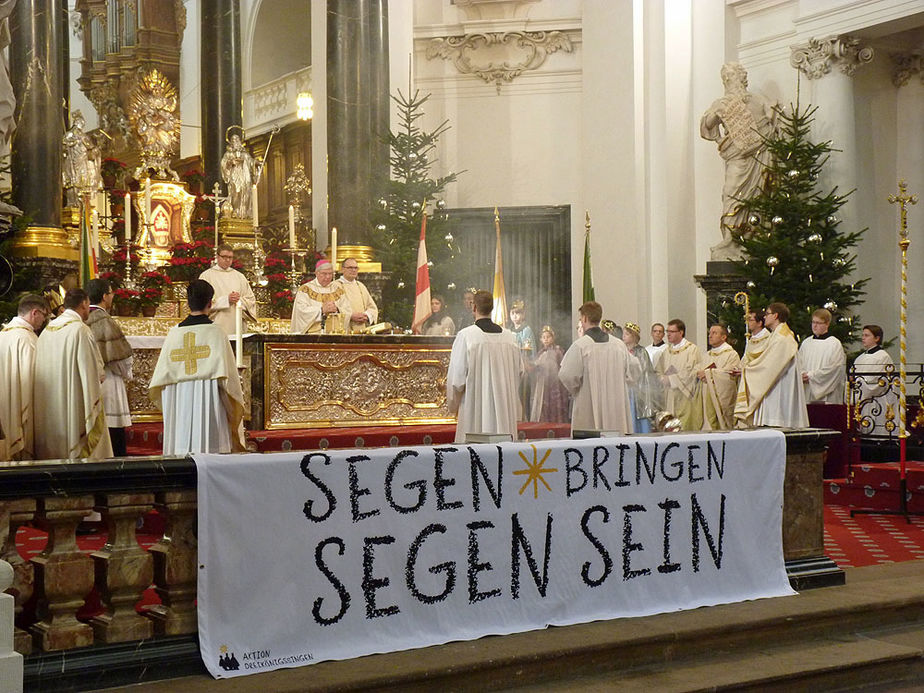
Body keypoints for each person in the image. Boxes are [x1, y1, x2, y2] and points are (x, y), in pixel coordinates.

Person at [149, 280, 246, 454]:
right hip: (210, 403)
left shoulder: (173, 333)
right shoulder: (216, 333)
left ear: (188, 303)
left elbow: (162, 380)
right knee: (211, 450)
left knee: (182, 447)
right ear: (210, 303)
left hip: (180, 401)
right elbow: (229, 382)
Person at [700, 62, 777, 260]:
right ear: (727, 80)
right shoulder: (722, 103)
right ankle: (730, 239)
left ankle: (751, 237)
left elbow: (772, 119)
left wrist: (773, 115)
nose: (743, 79)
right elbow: (707, 126)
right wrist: (715, 116)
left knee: (758, 197)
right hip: (737, 157)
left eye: (744, 76)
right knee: (730, 192)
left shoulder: (757, 100)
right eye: (739, 76)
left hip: (760, 156)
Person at [33, 288, 113, 460]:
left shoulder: (47, 331)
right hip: (73, 402)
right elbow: (92, 373)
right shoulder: (80, 330)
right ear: (84, 304)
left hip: (49, 406)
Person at [446, 290, 521, 443]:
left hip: (475, 412)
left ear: (473, 307)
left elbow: (457, 379)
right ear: (491, 308)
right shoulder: (510, 338)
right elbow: (519, 373)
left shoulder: (466, 336)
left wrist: (452, 406)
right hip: (504, 412)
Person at [559, 301, 634, 434]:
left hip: (589, 405)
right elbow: (633, 370)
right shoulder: (619, 345)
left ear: (585, 319)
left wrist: (578, 391)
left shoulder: (580, 346)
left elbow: (566, 375)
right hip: (616, 408)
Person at [734, 302, 809, 428]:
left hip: (779, 390)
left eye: (767, 314)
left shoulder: (782, 338)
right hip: (776, 386)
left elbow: (769, 367)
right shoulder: (776, 335)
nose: (764, 317)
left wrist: (747, 371)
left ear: (775, 316)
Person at [86, 279, 133, 457]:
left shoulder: (80, 318)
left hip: (88, 383)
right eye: (111, 292)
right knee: (113, 433)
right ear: (105, 296)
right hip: (109, 382)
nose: (112, 296)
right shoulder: (105, 320)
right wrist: (127, 373)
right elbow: (119, 358)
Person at [0, 294, 47, 460]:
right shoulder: (28, 339)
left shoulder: (2, 335)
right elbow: (35, 381)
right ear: (34, 313)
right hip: (21, 407)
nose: (44, 320)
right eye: (44, 314)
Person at [199, 244, 257, 337]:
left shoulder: (239, 277)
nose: (227, 260)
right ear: (217, 257)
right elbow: (201, 302)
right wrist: (226, 300)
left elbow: (251, 301)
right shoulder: (206, 276)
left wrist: (239, 300)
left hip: (236, 324)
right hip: (215, 324)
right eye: (224, 257)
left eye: (230, 257)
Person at [656, 319, 704, 431]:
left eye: (671, 331)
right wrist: (661, 378)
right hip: (669, 396)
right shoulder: (666, 352)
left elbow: (693, 372)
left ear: (681, 332)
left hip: (685, 397)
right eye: (667, 331)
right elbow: (658, 370)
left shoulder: (692, 350)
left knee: (685, 428)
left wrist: (672, 379)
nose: (668, 334)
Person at [852, 324, 897, 437]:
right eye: (862, 335)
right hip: (862, 401)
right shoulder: (860, 357)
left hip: (877, 401)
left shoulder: (883, 356)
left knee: (875, 431)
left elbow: (878, 383)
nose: (863, 338)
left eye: (867, 335)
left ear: (877, 338)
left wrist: (860, 383)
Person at [698, 324, 741, 430]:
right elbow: (699, 369)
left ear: (723, 337)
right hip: (706, 395)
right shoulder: (707, 355)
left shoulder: (731, 354)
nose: (710, 336)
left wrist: (709, 374)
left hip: (722, 397)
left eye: (714, 333)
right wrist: (699, 373)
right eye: (710, 333)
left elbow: (730, 374)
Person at [290, 259, 351, 334]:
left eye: (330, 274)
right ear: (316, 273)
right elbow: (300, 312)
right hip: (313, 335)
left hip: (335, 334)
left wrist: (337, 309)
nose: (328, 277)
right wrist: (321, 310)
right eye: (324, 274)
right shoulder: (305, 289)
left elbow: (348, 310)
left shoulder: (338, 290)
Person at [799, 308, 846, 404]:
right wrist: (802, 374)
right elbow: (799, 363)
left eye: (818, 323)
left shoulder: (834, 344)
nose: (814, 326)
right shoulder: (806, 342)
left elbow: (834, 369)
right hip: (807, 391)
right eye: (813, 322)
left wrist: (811, 376)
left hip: (827, 396)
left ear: (827, 324)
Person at [623, 321, 662, 433]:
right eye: (624, 333)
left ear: (634, 336)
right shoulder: (622, 350)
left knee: (638, 415)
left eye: (627, 334)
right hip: (626, 388)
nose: (623, 336)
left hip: (638, 390)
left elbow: (643, 370)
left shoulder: (641, 351)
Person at [529, 326, 570, 423]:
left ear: (553, 338)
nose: (546, 339)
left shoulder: (558, 351)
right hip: (543, 385)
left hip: (555, 385)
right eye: (543, 337)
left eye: (548, 337)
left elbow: (560, 367)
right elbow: (536, 366)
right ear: (540, 339)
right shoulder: (541, 353)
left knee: (555, 406)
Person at [62, 110, 102, 207]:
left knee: (82, 181)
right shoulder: (70, 134)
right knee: (72, 181)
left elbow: (90, 147)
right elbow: (63, 144)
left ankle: (81, 203)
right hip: (73, 160)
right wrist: (69, 144)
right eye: (80, 123)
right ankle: (73, 203)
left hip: (82, 161)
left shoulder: (83, 136)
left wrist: (95, 151)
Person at [220, 131, 257, 220]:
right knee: (236, 193)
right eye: (233, 140)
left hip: (245, 176)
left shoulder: (245, 154)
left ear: (240, 141)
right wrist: (230, 162)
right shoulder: (228, 154)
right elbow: (223, 164)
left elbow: (251, 162)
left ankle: (245, 213)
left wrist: (257, 163)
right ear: (231, 142)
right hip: (234, 176)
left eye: (237, 139)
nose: (235, 141)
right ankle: (236, 212)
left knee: (246, 192)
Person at [337, 257, 378, 333]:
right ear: (342, 269)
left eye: (356, 268)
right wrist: (350, 316)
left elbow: (372, 308)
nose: (353, 270)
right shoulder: (335, 286)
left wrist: (366, 315)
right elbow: (333, 310)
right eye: (350, 267)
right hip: (343, 331)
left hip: (362, 329)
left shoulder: (360, 286)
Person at [509, 301, 535, 419]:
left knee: (524, 395)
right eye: (513, 313)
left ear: (523, 315)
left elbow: (530, 349)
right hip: (512, 366)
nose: (515, 316)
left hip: (524, 365)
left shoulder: (526, 330)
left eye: (518, 313)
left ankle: (525, 417)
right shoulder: (508, 331)